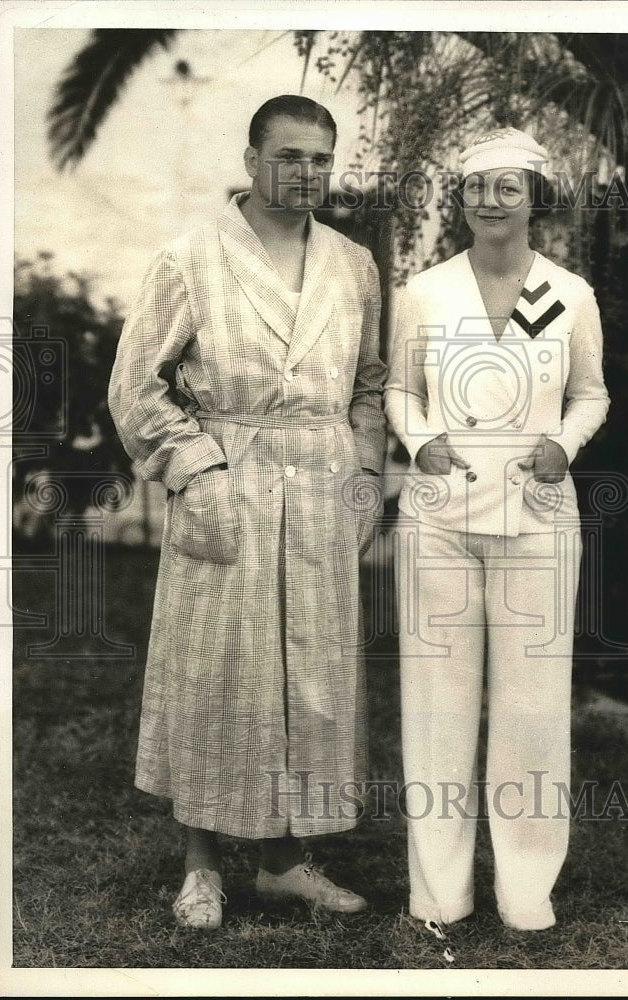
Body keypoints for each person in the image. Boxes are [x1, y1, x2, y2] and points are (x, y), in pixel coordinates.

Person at [109, 95, 386, 930]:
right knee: (216, 677)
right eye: (290, 156)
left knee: (307, 678)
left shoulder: (354, 264)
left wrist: (366, 473)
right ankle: (199, 866)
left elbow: (367, 385)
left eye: (320, 159)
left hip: (322, 488)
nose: (306, 174)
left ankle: (282, 862)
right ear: (251, 157)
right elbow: (135, 387)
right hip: (228, 479)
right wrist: (198, 470)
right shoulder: (190, 259)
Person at [385, 127, 610, 933]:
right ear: (461, 199)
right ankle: (438, 891)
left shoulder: (568, 293)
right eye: (477, 187)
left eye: (507, 188)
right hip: (440, 514)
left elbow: (591, 393)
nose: (490, 202)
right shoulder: (423, 290)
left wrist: (565, 443)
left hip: (538, 514)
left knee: (531, 709)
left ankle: (524, 889)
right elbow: (398, 392)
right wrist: (420, 441)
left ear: (533, 199)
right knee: (437, 705)